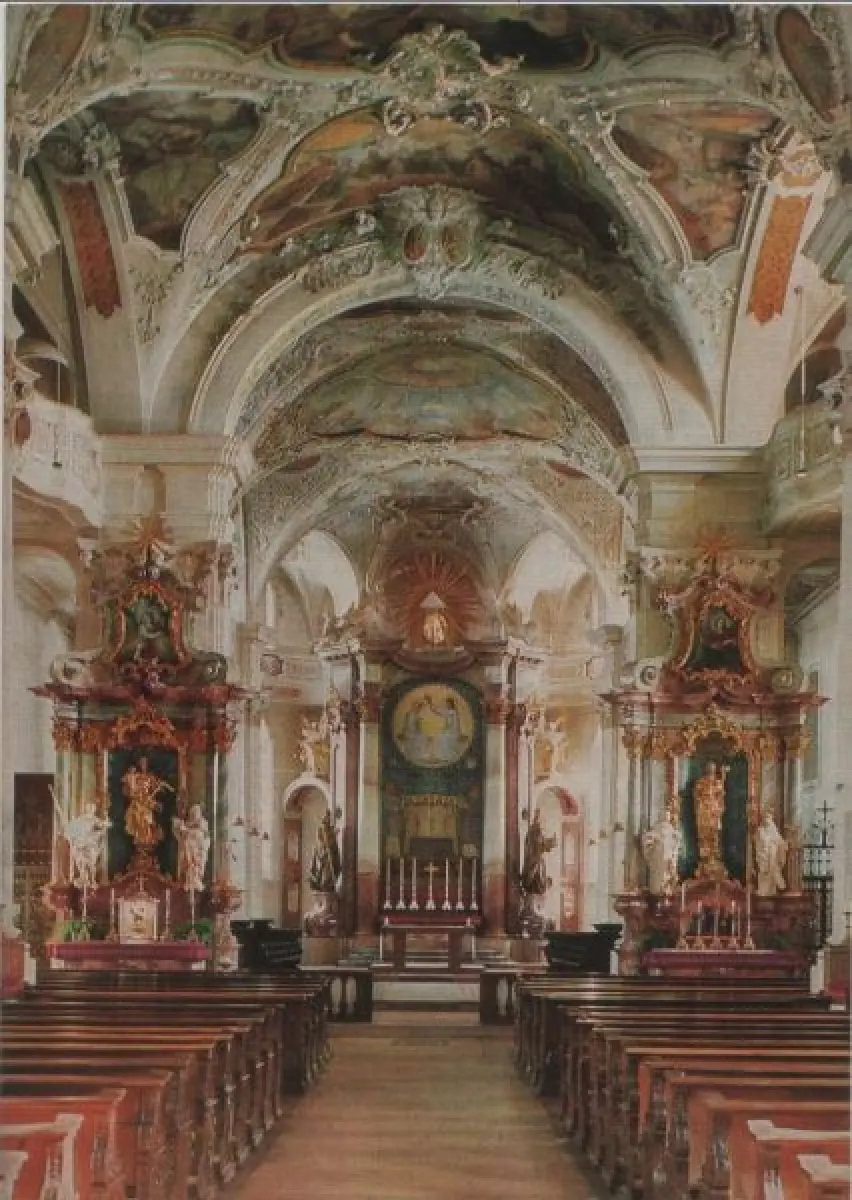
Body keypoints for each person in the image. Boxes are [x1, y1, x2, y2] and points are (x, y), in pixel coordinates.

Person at [122, 758, 174, 849]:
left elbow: (158, 787)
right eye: (141, 763)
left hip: (147, 802)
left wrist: (161, 788)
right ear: (139, 764)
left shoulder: (151, 777)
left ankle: (147, 842)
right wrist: (130, 785)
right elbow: (128, 789)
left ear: (147, 764)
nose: (143, 765)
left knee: (147, 821)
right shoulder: (136, 776)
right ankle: (140, 842)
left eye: (145, 763)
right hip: (138, 802)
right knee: (138, 819)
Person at [64, 802, 111, 889]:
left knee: (92, 863)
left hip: (91, 844)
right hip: (82, 844)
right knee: (81, 862)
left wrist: (106, 822)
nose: (91, 810)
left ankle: (92, 880)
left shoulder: (95, 819)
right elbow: (71, 828)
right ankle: (83, 878)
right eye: (89, 808)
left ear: (94, 810)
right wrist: (69, 832)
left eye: (92, 808)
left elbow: (106, 825)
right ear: (87, 809)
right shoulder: (81, 819)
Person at [693, 761, 728, 870]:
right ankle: (705, 857)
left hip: (714, 811)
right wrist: (701, 803)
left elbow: (721, 796)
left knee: (715, 834)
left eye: (712, 769)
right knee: (703, 834)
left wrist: (723, 777)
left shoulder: (717, 782)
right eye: (709, 769)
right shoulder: (700, 782)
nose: (711, 771)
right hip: (704, 811)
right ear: (706, 770)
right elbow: (696, 797)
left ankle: (714, 857)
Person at [172, 804, 211, 894]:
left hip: (198, 855)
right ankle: (187, 879)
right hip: (189, 856)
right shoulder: (186, 826)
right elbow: (179, 834)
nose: (194, 815)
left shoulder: (202, 825)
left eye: (196, 813)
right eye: (192, 813)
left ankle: (196, 879)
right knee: (188, 864)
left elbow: (206, 840)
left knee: (196, 866)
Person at [520, 807, 557, 896]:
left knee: (537, 866)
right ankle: (527, 884)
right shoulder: (534, 832)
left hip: (534, 857)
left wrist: (548, 843)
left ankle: (529, 885)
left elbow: (540, 843)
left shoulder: (536, 832)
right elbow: (537, 843)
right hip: (532, 858)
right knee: (534, 868)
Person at [642, 808, 679, 895]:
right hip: (659, 858)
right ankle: (659, 892)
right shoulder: (657, 828)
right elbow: (648, 840)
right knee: (659, 878)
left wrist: (672, 860)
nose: (667, 817)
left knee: (664, 877)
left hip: (666, 859)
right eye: (666, 815)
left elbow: (674, 847)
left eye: (668, 815)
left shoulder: (671, 830)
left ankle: (663, 891)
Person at [755, 811, 788, 897]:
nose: (767, 820)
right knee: (766, 873)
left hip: (773, 855)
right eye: (765, 817)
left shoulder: (774, 830)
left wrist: (784, 845)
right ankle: (765, 890)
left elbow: (780, 841)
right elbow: (758, 844)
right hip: (764, 855)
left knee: (773, 870)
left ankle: (775, 888)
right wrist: (762, 853)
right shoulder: (760, 830)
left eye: (769, 817)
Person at [309, 809, 341, 893]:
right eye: (325, 821)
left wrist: (333, 837)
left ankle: (328, 885)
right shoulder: (321, 831)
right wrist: (325, 846)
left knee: (330, 873)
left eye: (328, 821)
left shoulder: (331, 831)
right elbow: (320, 844)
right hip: (324, 858)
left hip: (330, 858)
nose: (326, 823)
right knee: (324, 874)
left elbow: (334, 848)